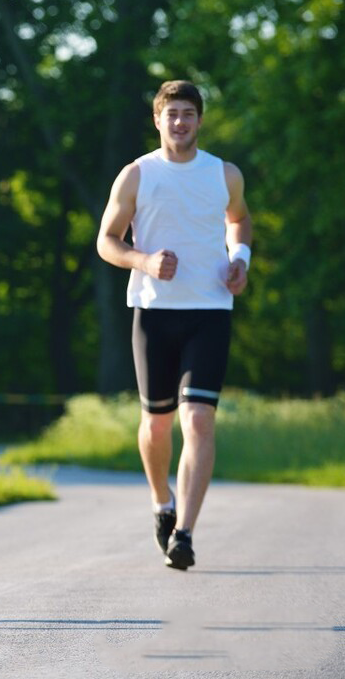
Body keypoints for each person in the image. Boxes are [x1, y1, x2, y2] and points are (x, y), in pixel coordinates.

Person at [96, 79, 252, 570]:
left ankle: (183, 532)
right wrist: (143, 261)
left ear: (200, 120)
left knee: (200, 419)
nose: (180, 122)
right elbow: (106, 240)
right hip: (154, 312)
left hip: (209, 311)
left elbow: (239, 219)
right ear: (157, 120)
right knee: (156, 425)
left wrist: (240, 258)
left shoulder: (223, 173)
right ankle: (161, 502)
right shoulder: (137, 175)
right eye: (172, 114)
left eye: (188, 113)